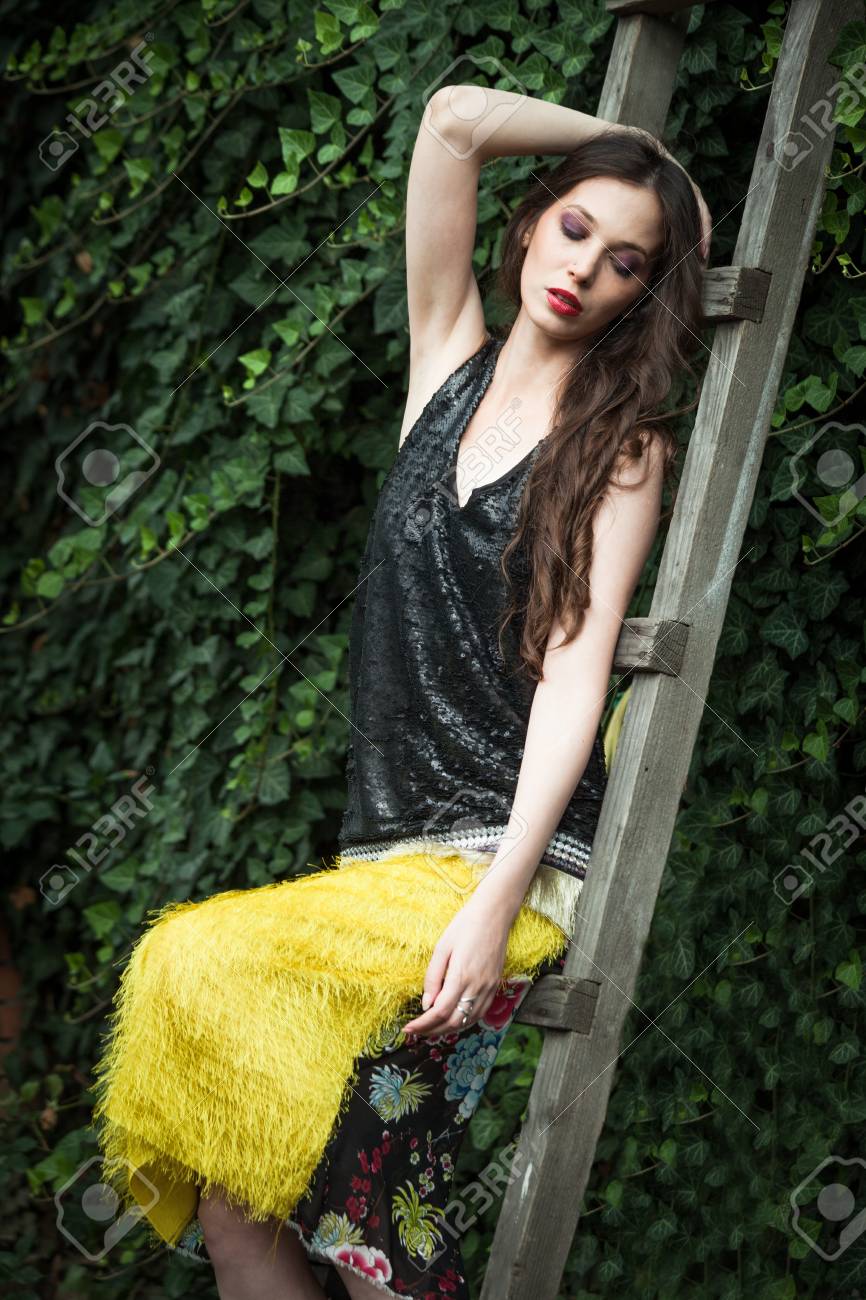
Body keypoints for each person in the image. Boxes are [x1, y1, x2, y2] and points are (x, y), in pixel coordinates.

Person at [90, 83, 710, 1300]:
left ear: (643, 295)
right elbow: (451, 121)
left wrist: (491, 903)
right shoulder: (444, 364)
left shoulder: (621, 446)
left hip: (506, 862)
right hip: (379, 862)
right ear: (529, 223)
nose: (585, 269)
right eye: (575, 228)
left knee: (359, 1225)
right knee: (236, 1194)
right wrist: (652, 156)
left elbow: (575, 682)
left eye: (628, 260)